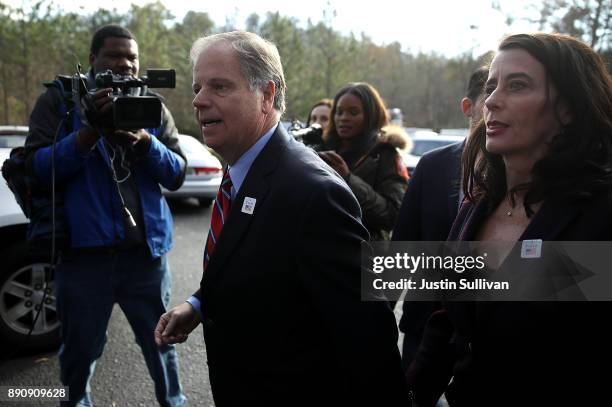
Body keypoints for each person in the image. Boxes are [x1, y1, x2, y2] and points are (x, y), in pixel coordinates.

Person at [154, 31, 408, 406]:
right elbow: (260, 270)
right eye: (198, 87)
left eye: (219, 86)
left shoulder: (313, 192)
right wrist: (199, 305)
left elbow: (366, 333)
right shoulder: (243, 168)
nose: (198, 100)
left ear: (267, 95)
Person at [406, 33, 612, 406]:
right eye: (491, 86)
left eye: (517, 85)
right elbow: (448, 318)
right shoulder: (477, 205)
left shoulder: (599, 215)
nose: (493, 100)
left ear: (568, 106)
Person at [25, 25, 186, 407]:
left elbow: (177, 173)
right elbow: (36, 169)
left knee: (161, 346)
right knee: (80, 353)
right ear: (93, 58)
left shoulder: (151, 107)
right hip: (83, 260)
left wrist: (144, 142)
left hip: (145, 259)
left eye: (132, 58)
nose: (125, 64)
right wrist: (87, 135)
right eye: (114, 56)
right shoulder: (60, 103)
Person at [392, 67, 487, 375]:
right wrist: (376, 321)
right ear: (468, 107)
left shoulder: (528, 177)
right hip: (423, 327)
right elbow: (402, 247)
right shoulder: (432, 166)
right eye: (491, 93)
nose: (500, 103)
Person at [319, 82, 408, 241]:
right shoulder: (323, 149)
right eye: (339, 112)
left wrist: (347, 179)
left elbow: (392, 216)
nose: (344, 118)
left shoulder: (385, 154)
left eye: (353, 112)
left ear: (371, 116)